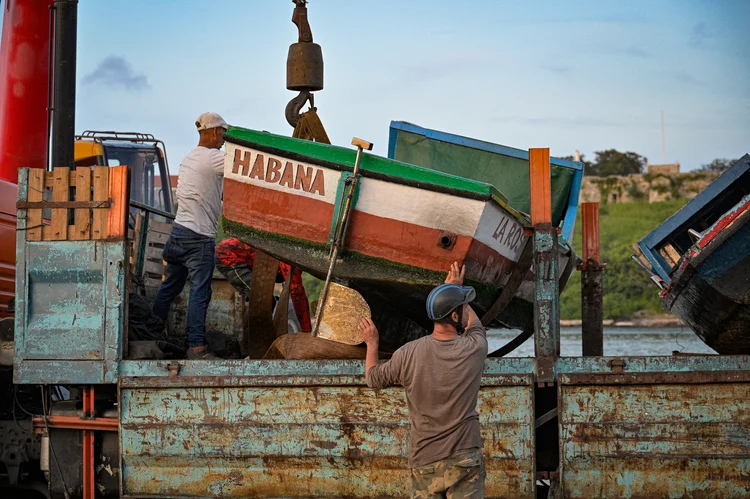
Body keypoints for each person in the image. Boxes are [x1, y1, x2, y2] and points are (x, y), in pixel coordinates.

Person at [360, 262, 488, 499]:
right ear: (454, 315)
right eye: (462, 307)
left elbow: (373, 378)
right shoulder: (474, 348)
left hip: (424, 459)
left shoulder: (408, 353)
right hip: (464, 456)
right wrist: (455, 288)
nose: (466, 311)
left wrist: (372, 342)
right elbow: (472, 322)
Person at [152, 112, 228, 359]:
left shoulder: (188, 159)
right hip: (199, 238)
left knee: (169, 287)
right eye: (224, 134)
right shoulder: (214, 158)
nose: (224, 140)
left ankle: (151, 333)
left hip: (178, 234)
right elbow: (245, 166)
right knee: (200, 292)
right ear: (215, 132)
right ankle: (196, 346)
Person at [215, 237, 312, 332]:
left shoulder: (287, 253)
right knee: (259, 297)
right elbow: (296, 292)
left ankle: (271, 318)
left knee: (267, 299)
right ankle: (260, 336)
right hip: (227, 256)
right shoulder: (288, 257)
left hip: (251, 260)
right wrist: (306, 329)